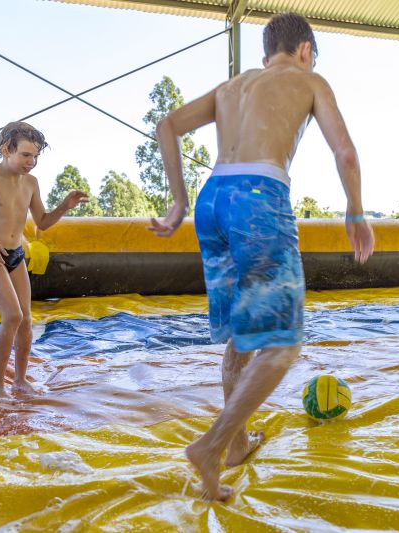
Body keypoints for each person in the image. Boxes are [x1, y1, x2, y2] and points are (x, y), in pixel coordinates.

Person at [148, 13, 374, 501]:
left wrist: (178, 200)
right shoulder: (309, 79)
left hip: (212, 199)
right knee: (283, 344)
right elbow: (346, 154)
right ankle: (211, 445)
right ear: (306, 49)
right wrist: (355, 210)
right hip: (257, 196)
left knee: (241, 336)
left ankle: (236, 445)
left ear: (264, 53)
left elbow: (166, 125)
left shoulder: (234, 85)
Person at [0, 121, 87, 400]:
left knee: (25, 320)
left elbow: (43, 222)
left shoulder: (31, 183)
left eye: (36, 156)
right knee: (12, 315)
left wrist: (64, 206)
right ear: (5, 150)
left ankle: (20, 381)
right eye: (26, 155)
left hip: (14, 254)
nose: (32, 161)